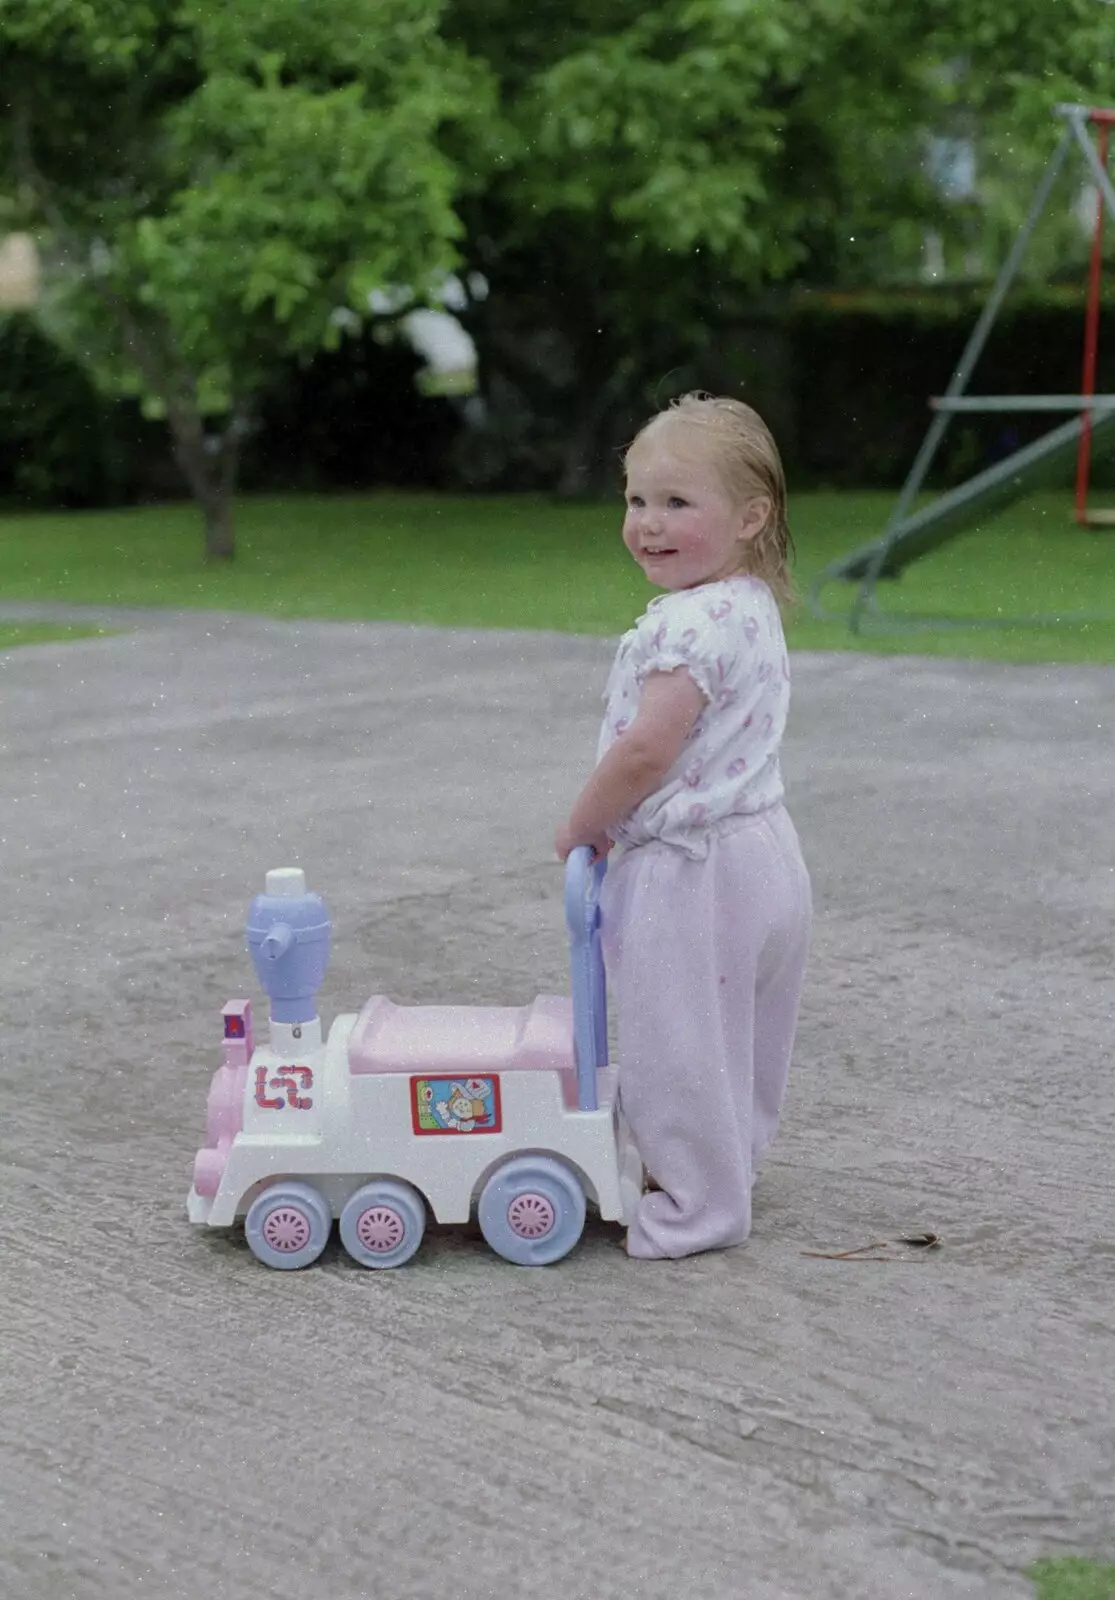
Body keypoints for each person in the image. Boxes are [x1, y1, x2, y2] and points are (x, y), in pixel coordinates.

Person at [554, 392, 812, 1260]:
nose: (648, 525)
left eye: (675, 503)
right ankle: (727, 1164)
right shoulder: (747, 603)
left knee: (676, 1045)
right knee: (740, 1034)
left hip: (688, 868)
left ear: (750, 515)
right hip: (762, 848)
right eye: (635, 500)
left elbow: (644, 752)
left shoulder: (686, 622)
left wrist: (582, 826)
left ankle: (698, 1208)